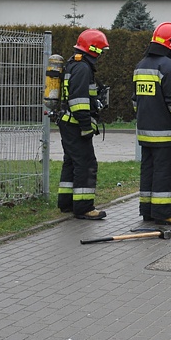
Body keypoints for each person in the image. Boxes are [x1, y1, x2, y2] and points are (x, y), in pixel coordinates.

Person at [133, 22, 171, 225]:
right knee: (165, 172)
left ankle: (148, 210)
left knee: (148, 170)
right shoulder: (169, 67)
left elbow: (135, 102)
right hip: (165, 132)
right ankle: (164, 212)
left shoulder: (140, 66)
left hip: (144, 132)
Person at [57, 29, 109, 220]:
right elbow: (79, 101)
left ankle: (66, 203)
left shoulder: (75, 64)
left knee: (71, 163)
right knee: (86, 164)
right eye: (101, 50)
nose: (102, 54)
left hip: (69, 123)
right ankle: (84, 207)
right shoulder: (82, 68)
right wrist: (86, 126)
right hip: (76, 124)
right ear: (93, 48)